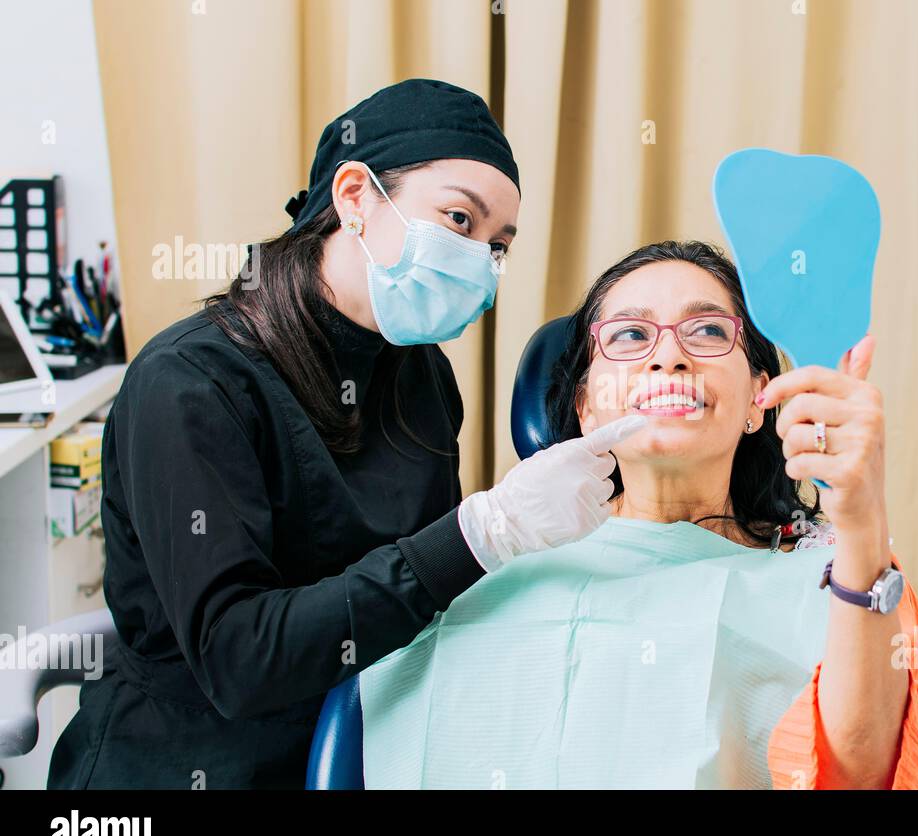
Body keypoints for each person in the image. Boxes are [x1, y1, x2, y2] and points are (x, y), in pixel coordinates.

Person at [48, 79, 644, 789]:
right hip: (190, 762)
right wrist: (488, 529)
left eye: (498, 246)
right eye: (460, 219)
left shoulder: (417, 373)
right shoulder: (191, 384)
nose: (481, 262)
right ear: (356, 196)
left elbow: (420, 596)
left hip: (372, 729)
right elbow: (241, 661)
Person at [360, 241, 918, 789]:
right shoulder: (485, 557)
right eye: (627, 336)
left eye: (705, 331)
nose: (668, 356)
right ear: (586, 408)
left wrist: (863, 522)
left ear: (759, 400)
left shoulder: (842, 576)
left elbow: (869, 778)